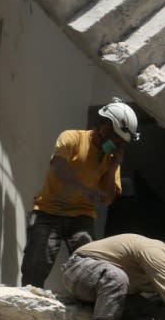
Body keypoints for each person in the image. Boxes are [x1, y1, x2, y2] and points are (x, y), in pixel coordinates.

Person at [21, 98, 140, 288]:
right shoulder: (71, 138)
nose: (116, 145)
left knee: (90, 264)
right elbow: (59, 168)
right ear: (104, 126)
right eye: (116, 139)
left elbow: (108, 199)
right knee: (35, 264)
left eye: (120, 143)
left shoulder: (110, 158)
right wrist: (84, 189)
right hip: (48, 211)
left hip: (81, 217)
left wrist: (113, 167)